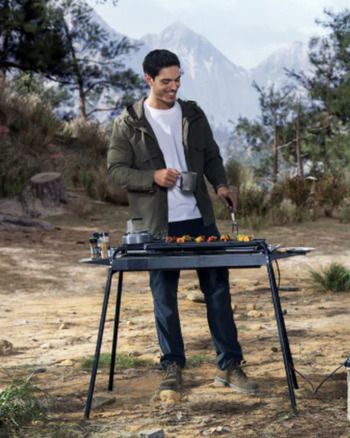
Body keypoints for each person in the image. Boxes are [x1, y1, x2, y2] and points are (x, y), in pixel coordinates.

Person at [107, 49, 256, 395]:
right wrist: (153, 176)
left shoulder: (193, 114)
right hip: (158, 224)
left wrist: (220, 185)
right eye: (166, 82)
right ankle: (172, 366)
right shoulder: (129, 122)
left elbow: (213, 157)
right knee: (164, 296)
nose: (173, 88)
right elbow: (115, 173)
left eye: (177, 80)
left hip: (200, 219)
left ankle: (230, 366)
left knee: (218, 290)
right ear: (148, 79)